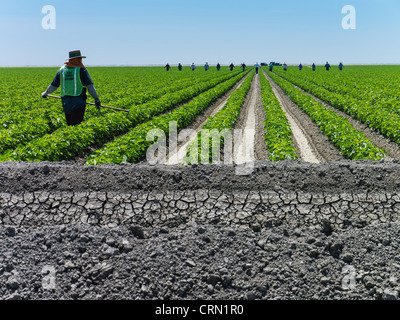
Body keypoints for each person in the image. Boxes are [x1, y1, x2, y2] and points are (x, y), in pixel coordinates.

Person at [41, 50, 100, 126]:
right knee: (75, 126)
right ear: (77, 59)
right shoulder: (81, 70)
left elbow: (54, 85)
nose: (80, 61)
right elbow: (90, 87)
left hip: (66, 102)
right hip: (78, 102)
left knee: (70, 124)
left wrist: (45, 93)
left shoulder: (61, 70)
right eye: (79, 59)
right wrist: (96, 99)